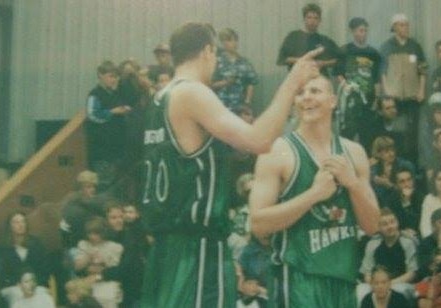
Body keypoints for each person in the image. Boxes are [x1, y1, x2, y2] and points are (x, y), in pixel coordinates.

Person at [140, 22, 322, 308]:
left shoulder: (160, 98)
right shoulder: (192, 92)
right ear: (208, 51)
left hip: (164, 247)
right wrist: (292, 82)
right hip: (195, 246)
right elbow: (259, 141)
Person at [249, 75, 380, 307]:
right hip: (299, 279)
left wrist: (353, 184)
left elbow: (372, 226)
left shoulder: (355, 152)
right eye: (300, 92)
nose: (306, 97)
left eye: (315, 91)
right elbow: (258, 224)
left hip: (344, 280)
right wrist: (314, 194)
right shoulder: (278, 152)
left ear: (333, 100)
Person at [380, 13, 428, 164]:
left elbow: (423, 70)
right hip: (394, 98)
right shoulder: (387, 47)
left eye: (406, 25)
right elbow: (382, 72)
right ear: (394, 27)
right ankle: (395, 164)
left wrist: (421, 90)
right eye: (401, 25)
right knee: (394, 132)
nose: (405, 28)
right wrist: (387, 91)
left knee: (412, 134)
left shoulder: (415, 46)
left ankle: (411, 165)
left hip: (412, 98)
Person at [85, 60, 132, 190]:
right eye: (111, 76)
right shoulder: (95, 94)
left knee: (117, 184)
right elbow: (92, 115)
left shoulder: (115, 94)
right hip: (102, 151)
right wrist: (112, 112)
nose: (114, 80)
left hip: (117, 149)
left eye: (116, 77)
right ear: (100, 75)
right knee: (104, 183)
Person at [335, 17, 381, 145]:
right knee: (347, 134)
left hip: (368, 98)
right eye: (361, 31)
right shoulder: (344, 50)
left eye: (365, 31)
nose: (363, 34)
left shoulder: (373, 53)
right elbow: (338, 73)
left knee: (367, 134)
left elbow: (376, 77)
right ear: (353, 32)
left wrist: (377, 98)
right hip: (350, 99)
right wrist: (345, 86)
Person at [358, 208, 417, 303]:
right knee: (360, 290)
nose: (390, 226)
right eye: (385, 224)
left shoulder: (408, 242)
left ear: (397, 223)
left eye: (392, 222)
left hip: (400, 283)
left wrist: (388, 284)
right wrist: (377, 285)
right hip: (377, 284)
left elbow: (412, 273)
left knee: (399, 290)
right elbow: (367, 272)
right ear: (379, 227)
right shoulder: (372, 244)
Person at [276, 3, 340, 76]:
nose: (312, 21)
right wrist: (302, 61)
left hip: (319, 80)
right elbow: (282, 59)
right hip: (298, 80)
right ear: (304, 19)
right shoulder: (293, 37)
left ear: (320, 20)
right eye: (309, 17)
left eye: (316, 18)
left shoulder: (325, 40)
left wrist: (323, 63)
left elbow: (339, 59)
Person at [0, 212, 50, 289]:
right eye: (16, 222)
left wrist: (34, 284)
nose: (21, 225)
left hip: (37, 286)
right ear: (9, 226)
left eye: (23, 221)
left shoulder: (36, 243)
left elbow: (44, 269)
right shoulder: (3, 248)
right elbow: (2, 274)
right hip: (14, 288)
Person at [211, 28, 258, 112]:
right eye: (229, 40)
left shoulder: (244, 62)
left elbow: (251, 83)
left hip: (239, 106)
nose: (234, 43)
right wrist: (225, 83)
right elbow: (209, 84)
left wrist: (247, 102)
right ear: (223, 43)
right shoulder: (216, 62)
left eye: (235, 40)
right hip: (220, 107)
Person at [370, 136, 415, 207]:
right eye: (387, 151)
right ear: (378, 153)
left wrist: (389, 185)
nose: (392, 154)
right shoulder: (374, 169)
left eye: (392, 150)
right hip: (381, 209)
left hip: (403, 206)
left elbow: (409, 193)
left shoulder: (405, 165)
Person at [387, 168, 425, 237]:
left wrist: (407, 202)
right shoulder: (391, 200)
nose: (407, 184)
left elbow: (419, 222)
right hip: (399, 235)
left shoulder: (421, 198)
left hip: (418, 234)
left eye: (409, 180)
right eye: (402, 181)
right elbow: (393, 223)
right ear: (397, 185)